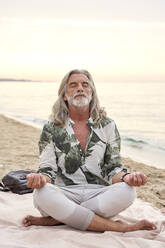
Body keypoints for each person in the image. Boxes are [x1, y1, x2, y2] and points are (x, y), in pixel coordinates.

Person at [22, 69, 156, 232]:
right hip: (64, 192)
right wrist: (39, 178)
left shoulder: (107, 125)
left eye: (85, 85)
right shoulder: (51, 128)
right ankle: (120, 228)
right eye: (73, 85)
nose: (80, 88)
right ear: (64, 95)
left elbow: (113, 168)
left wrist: (128, 177)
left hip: (99, 193)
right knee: (41, 194)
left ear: (91, 94)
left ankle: (58, 219)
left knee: (128, 192)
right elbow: (47, 170)